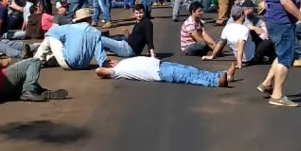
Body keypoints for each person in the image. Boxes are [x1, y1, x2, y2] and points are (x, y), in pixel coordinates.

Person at [34, 8, 111, 70]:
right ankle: (48, 58)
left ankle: (36, 60)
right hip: (84, 66)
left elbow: (51, 32)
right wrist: (104, 63)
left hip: (68, 63)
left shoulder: (69, 28)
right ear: (89, 20)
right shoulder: (96, 32)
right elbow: (99, 53)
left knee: (50, 38)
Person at [95, 55, 237, 88]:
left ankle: (222, 75)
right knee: (189, 76)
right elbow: (99, 71)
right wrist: (108, 69)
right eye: (109, 63)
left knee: (191, 71)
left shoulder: (122, 63)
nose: (112, 61)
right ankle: (217, 82)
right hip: (160, 72)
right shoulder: (117, 72)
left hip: (161, 65)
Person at [205, 4, 274, 68]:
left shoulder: (227, 27)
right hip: (251, 58)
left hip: (246, 51)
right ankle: (273, 57)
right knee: (269, 42)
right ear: (242, 15)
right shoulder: (244, 29)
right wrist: (239, 63)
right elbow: (240, 45)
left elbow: (221, 42)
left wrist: (212, 56)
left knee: (253, 34)